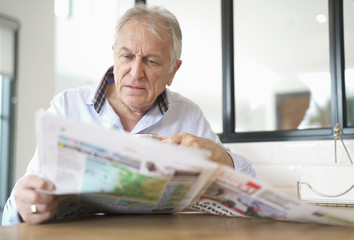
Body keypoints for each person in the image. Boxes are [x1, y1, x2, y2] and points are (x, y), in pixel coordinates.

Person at [2, 4, 256, 225]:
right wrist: (28, 208)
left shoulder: (189, 115)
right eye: (127, 56)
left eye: (151, 61)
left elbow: (249, 194)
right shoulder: (67, 107)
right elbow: (19, 207)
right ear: (114, 53)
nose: (135, 72)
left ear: (172, 70)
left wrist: (221, 157)